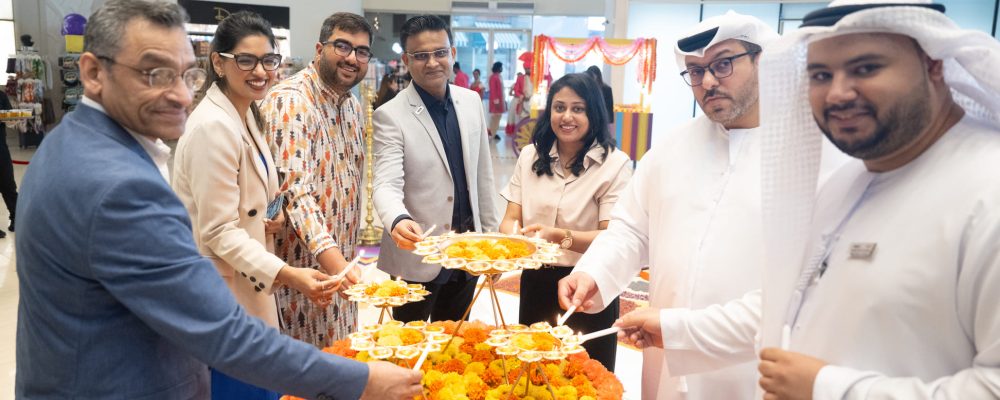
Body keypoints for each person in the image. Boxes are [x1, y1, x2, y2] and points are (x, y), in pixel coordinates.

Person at [14, 1, 422, 399]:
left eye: (184, 75)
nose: (179, 94)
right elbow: (220, 330)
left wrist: (270, 215)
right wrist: (358, 380)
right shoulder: (119, 186)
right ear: (92, 72)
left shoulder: (71, 141)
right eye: (155, 74)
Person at [618, 1, 1000, 399]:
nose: (837, 93)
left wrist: (825, 388)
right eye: (820, 74)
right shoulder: (848, 186)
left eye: (866, 68)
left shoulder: (986, 190)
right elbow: (787, 306)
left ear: (933, 64)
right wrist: (677, 328)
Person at [557, 12, 781, 400]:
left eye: (723, 64)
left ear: (763, 60)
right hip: (664, 359)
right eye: (696, 71)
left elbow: (800, 292)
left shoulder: (806, 157)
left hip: (752, 367)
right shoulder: (672, 147)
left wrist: (682, 330)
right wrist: (594, 272)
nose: (707, 82)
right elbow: (630, 229)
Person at [172, 11, 340, 399]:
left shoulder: (246, 111)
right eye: (246, 60)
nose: (261, 71)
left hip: (246, 278)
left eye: (268, 60)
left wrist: (269, 214)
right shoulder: (214, 126)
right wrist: (289, 274)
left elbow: (248, 193)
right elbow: (217, 230)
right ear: (218, 63)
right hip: (225, 291)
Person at [498, 73, 631, 371]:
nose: (567, 116)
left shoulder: (614, 164)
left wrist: (558, 236)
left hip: (589, 285)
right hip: (536, 281)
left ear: (593, 113)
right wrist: (516, 239)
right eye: (559, 108)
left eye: (578, 109)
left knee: (587, 375)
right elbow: (510, 219)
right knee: (533, 373)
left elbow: (612, 237)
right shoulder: (530, 156)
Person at [372, 14, 499, 323]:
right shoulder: (390, 115)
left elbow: (483, 178)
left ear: (452, 53)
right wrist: (397, 218)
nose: (432, 63)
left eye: (440, 52)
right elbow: (386, 182)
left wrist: (491, 242)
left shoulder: (471, 102)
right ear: (406, 60)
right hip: (416, 254)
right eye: (420, 56)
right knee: (409, 341)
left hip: (465, 252)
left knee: (454, 339)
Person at [260, 12, 371, 348]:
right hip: (302, 279)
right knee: (299, 370)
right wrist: (336, 264)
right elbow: (294, 193)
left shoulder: (351, 106)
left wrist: (344, 266)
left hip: (341, 271)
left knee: (341, 359)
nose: (352, 58)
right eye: (343, 46)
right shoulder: (291, 100)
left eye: (362, 51)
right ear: (320, 49)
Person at [0, 91, 16, 238]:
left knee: (8, 184)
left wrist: (13, 119)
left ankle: (16, 218)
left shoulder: (1, 96)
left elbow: (10, 119)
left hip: (1, 148)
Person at [506, 67, 534, 136]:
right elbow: (515, 91)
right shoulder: (519, 80)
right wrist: (520, 96)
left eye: (529, 68)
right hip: (518, 101)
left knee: (528, 118)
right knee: (517, 118)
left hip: (529, 102)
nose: (528, 70)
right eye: (527, 68)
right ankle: (518, 134)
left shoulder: (534, 79)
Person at [488, 61, 505, 139]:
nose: (502, 68)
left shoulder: (499, 76)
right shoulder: (493, 77)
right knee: (494, 119)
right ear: (498, 68)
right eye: (501, 67)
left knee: (497, 119)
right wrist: (496, 102)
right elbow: (493, 90)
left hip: (500, 102)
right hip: (496, 103)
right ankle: (491, 134)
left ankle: (493, 133)